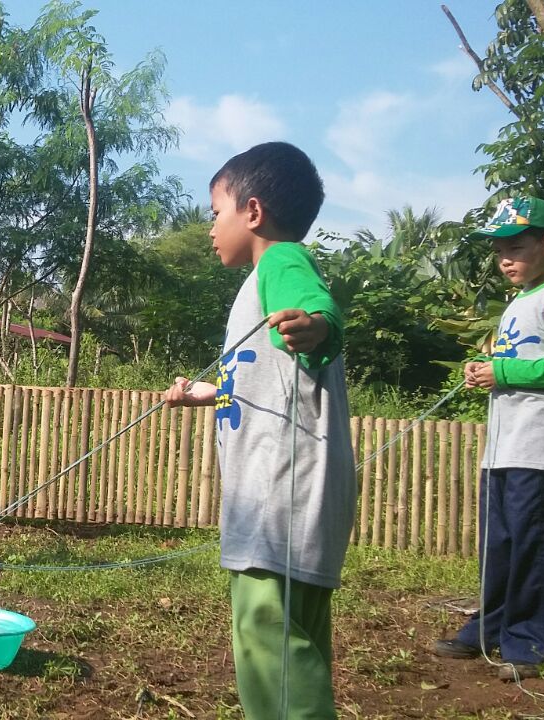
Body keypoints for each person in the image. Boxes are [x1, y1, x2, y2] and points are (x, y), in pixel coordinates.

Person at [162, 142, 354, 718]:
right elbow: (267, 381)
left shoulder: (281, 263)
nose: (209, 228)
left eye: (214, 212)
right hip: (281, 497)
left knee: (270, 647)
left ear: (252, 211)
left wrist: (318, 327)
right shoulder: (264, 277)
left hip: (281, 496)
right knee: (290, 646)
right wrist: (208, 392)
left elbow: (321, 312)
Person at [433, 196, 544, 680]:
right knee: (500, 544)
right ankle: (492, 628)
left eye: (517, 246)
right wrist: (484, 371)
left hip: (543, 444)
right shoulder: (518, 301)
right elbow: (518, 363)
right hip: (504, 444)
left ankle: (535, 643)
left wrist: (502, 371)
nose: (505, 258)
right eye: (498, 250)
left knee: (537, 542)